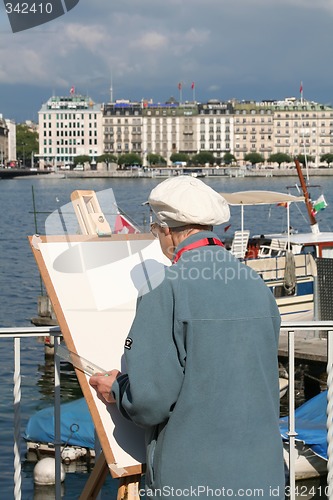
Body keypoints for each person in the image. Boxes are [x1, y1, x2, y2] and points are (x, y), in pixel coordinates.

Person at [89, 176, 285, 499]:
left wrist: (117, 388)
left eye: (155, 230)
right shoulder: (257, 285)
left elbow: (149, 403)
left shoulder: (166, 287)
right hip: (264, 479)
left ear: (167, 229)